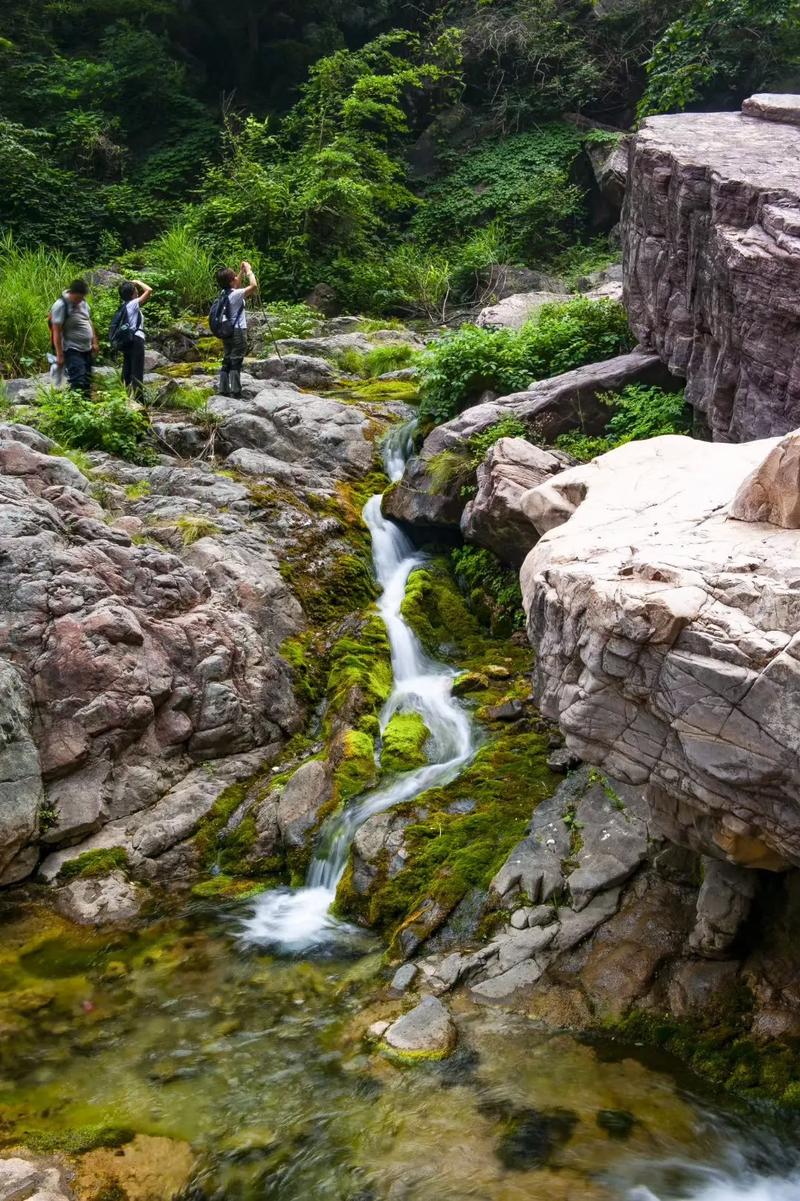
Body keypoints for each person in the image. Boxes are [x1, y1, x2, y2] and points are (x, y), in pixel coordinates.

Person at [215, 261, 257, 398]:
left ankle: (223, 389)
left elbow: (236, 284)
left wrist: (240, 272)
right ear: (231, 280)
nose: (236, 279)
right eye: (234, 277)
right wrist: (249, 271)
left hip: (226, 330)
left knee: (227, 358)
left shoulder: (224, 292)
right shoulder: (236, 294)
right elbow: (254, 286)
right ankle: (236, 391)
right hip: (238, 331)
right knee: (236, 360)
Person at [50, 279, 99, 397]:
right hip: (72, 349)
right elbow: (56, 331)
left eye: (82, 298)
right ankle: (76, 408)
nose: (79, 301)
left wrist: (94, 342)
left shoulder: (83, 303)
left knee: (87, 380)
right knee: (78, 380)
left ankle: (87, 409)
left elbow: (89, 322)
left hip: (87, 348)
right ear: (71, 293)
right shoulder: (60, 305)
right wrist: (59, 355)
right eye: (77, 298)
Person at [117, 279, 153, 403]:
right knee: (137, 372)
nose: (138, 291)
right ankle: (139, 403)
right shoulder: (132, 304)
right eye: (135, 290)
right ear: (132, 293)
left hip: (128, 341)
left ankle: (123, 399)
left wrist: (132, 286)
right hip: (136, 340)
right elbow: (149, 290)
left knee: (127, 371)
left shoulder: (124, 305)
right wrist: (138, 281)